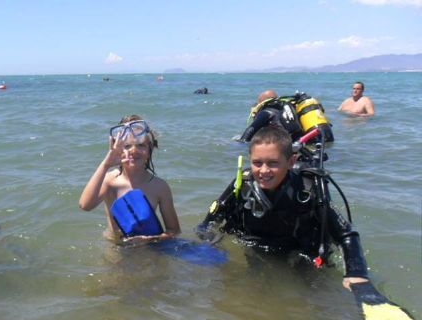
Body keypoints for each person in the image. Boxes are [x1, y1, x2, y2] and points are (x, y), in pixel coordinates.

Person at [197, 126, 369, 290]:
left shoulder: (307, 188)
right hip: (256, 248)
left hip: (301, 252)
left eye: (273, 163)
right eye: (257, 162)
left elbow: (347, 234)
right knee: (253, 292)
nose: (264, 171)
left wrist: (357, 274)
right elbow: (208, 223)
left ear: (291, 161)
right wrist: (212, 245)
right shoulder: (243, 184)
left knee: (313, 295)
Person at [79, 114, 181, 244]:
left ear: (150, 149)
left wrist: (151, 239)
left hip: (148, 247)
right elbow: (85, 206)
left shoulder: (159, 187)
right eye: (127, 146)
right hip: (116, 247)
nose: (134, 150)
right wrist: (106, 164)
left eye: (140, 145)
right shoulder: (110, 181)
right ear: (118, 150)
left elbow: (174, 230)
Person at [240, 90, 334, 143]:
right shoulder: (291, 108)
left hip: (290, 144)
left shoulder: (267, 111)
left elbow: (250, 131)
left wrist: (240, 144)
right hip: (310, 141)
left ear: (261, 103)